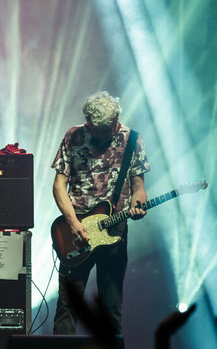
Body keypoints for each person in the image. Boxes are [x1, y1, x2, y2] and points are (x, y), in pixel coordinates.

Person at [51, 90, 148, 335]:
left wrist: (139, 203)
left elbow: (139, 188)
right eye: (97, 130)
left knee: (111, 308)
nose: (103, 135)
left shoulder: (133, 139)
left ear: (116, 119)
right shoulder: (73, 136)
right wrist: (72, 223)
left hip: (114, 228)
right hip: (76, 229)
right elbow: (59, 185)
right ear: (87, 122)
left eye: (108, 129)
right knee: (67, 306)